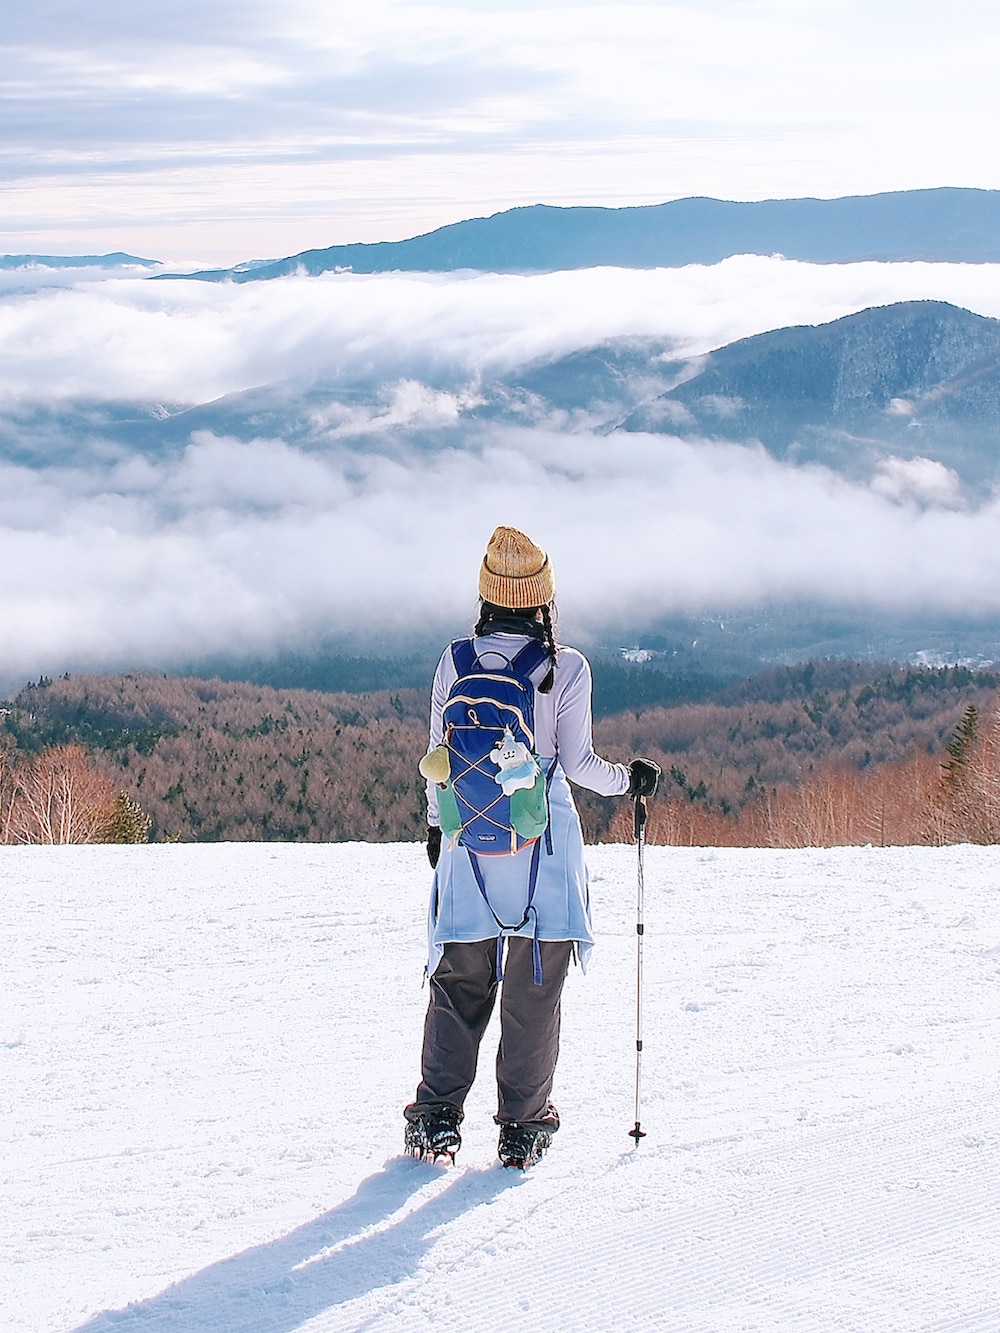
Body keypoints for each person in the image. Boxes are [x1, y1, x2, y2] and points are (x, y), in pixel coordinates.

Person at [404, 526, 659, 1169]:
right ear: (543, 596)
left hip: (468, 837)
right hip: (541, 843)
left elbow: (437, 759)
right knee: (533, 985)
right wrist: (630, 780)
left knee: (459, 982)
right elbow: (578, 764)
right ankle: (522, 1127)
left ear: (486, 593)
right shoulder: (565, 668)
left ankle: (434, 1120)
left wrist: (439, 828)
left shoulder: (454, 661)